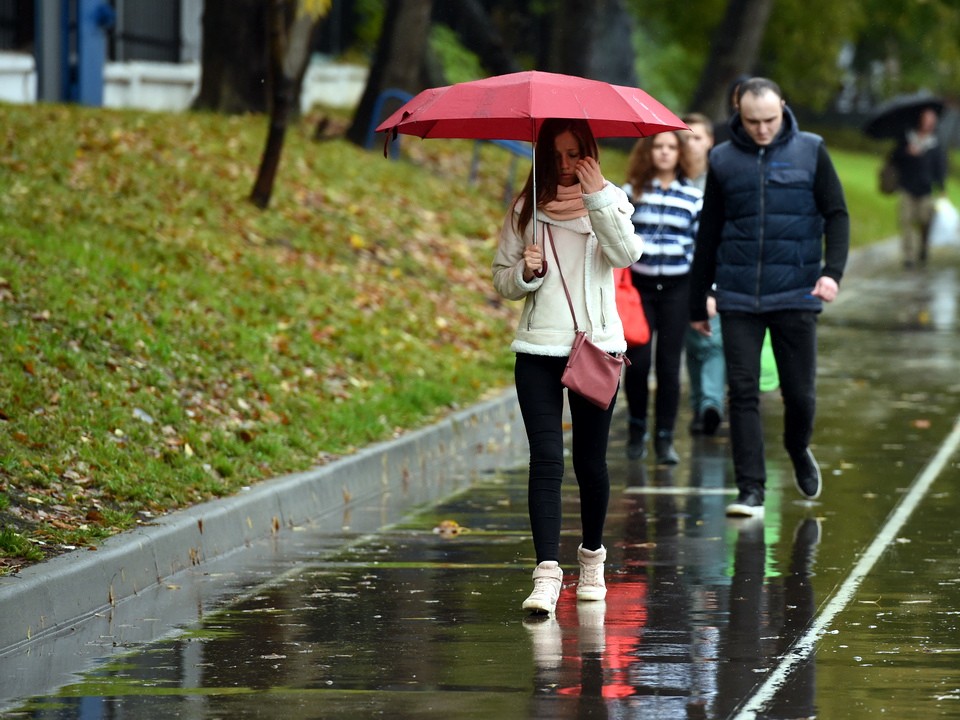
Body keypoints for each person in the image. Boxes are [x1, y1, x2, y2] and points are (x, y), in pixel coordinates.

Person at [492, 118, 643, 614]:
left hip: (595, 347)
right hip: (538, 348)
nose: (564, 163)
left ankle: (593, 559)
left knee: (590, 462)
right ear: (542, 154)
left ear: (590, 151)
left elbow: (625, 253)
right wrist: (526, 273)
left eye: (574, 152)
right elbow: (502, 280)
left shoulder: (612, 200)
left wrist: (598, 196)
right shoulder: (525, 209)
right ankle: (546, 575)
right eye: (555, 153)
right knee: (546, 461)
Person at [689, 77, 850, 518]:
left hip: (797, 292)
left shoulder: (811, 150)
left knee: (800, 395)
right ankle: (751, 490)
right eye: (752, 121)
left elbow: (836, 214)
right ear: (738, 113)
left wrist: (831, 272)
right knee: (741, 392)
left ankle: (797, 447)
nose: (762, 129)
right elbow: (709, 232)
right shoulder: (721, 159)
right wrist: (697, 298)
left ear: (783, 106)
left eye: (770, 120)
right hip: (738, 295)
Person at [622, 131, 703, 464]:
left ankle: (665, 437)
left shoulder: (693, 198)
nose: (665, 152)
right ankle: (636, 429)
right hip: (639, 289)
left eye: (672, 147)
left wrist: (705, 293)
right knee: (638, 363)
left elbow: (701, 250)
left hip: (676, 289)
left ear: (680, 153)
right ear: (648, 150)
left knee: (670, 366)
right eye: (659, 146)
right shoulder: (631, 194)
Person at [679, 113, 726, 436]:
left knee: (711, 339)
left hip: (711, 274)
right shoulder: (670, 178)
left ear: (710, 141)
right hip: (677, 277)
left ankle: (710, 404)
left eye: (697, 137)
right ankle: (699, 404)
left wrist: (714, 287)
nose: (690, 144)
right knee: (691, 345)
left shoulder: (720, 179)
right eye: (685, 137)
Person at [891, 107, 948, 268]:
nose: (929, 122)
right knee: (906, 221)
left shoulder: (935, 143)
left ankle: (923, 247)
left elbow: (940, 167)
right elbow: (894, 157)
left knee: (925, 220)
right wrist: (907, 152)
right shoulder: (907, 139)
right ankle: (908, 257)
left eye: (932, 119)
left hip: (926, 189)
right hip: (907, 187)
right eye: (926, 118)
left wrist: (942, 188)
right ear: (920, 119)